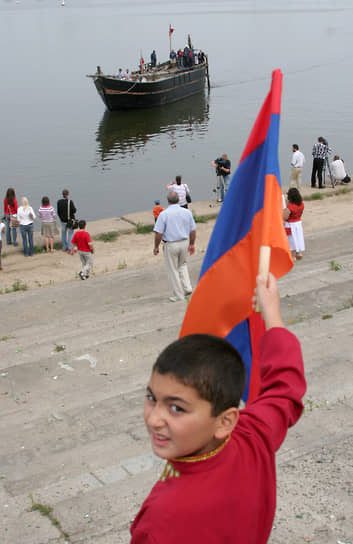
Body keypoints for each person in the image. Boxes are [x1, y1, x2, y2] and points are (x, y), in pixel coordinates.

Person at [130, 273, 306, 543]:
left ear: (225, 421)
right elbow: (284, 388)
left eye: (176, 408)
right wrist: (272, 313)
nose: (154, 419)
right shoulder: (253, 437)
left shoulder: (162, 521)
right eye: (152, 397)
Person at [153, 192, 195, 302]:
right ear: (178, 200)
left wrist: (156, 246)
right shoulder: (187, 212)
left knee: (173, 269)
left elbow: (158, 234)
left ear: (168, 201)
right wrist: (192, 244)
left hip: (171, 244)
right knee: (182, 265)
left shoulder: (164, 214)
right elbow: (193, 230)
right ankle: (187, 287)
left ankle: (178, 295)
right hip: (184, 242)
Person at [283, 187, 305, 261]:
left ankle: (292, 256)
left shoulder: (290, 206)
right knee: (298, 238)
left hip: (290, 224)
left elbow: (285, 217)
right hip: (298, 223)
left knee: (291, 240)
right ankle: (299, 253)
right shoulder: (301, 204)